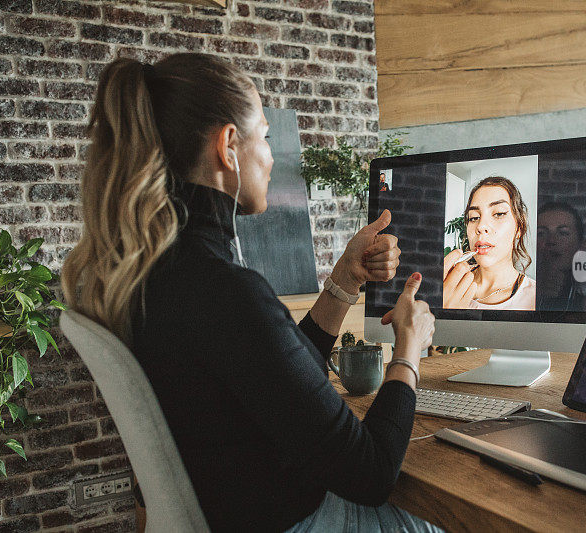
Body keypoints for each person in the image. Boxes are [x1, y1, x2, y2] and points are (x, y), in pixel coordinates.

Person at [60, 53, 439, 532]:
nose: (271, 154)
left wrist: (345, 279)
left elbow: (274, 372)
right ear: (228, 147)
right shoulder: (222, 288)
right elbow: (370, 473)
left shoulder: (152, 274)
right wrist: (409, 345)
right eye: (264, 135)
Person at [443, 176, 536, 310]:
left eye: (499, 214)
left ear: (519, 228)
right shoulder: (447, 286)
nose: (480, 226)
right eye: (474, 217)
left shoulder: (535, 298)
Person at [535, 201, 586, 314]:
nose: (551, 241)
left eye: (563, 233)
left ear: (581, 246)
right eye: (541, 233)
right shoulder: (515, 304)